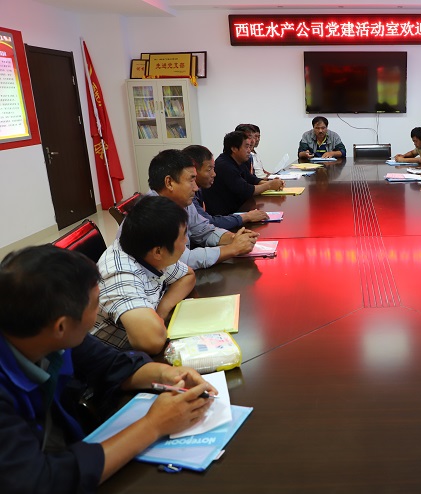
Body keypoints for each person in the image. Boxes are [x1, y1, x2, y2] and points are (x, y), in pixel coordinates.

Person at [0, 245, 215, 493]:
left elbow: (110, 364)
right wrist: (154, 425)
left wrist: (165, 374)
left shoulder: (47, 332)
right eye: (95, 305)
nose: (100, 310)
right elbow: (40, 481)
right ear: (61, 326)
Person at [94, 195, 196, 354]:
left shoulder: (147, 250)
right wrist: (157, 320)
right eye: (183, 236)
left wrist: (161, 311)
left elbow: (188, 276)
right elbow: (151, 342)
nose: (186, 241)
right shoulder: (120, 274)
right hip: (110, 360)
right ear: (158, 252)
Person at [147, 149, 258, 269]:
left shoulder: (182, 201)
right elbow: (183, 260)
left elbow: (204, 230)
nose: (196, 188)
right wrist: (232, 249)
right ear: (169, 183)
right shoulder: (152, 213)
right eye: (191, 180)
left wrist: (234, 238)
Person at [182, 144, 269, 230]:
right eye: (209, 169)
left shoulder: (199, 189)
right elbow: (208, 222)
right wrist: (245, 217)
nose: (214, 174)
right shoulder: (224, 165)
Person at [202, 131, 284, 216]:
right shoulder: (225, 165)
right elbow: (246, 190)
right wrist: (269, 185)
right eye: (246, 147)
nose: (249, 150)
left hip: (239, 209)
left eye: (249, 147)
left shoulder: (238, 160)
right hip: (226, 215)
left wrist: (272, 183)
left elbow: (251, 179)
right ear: (234, 149)